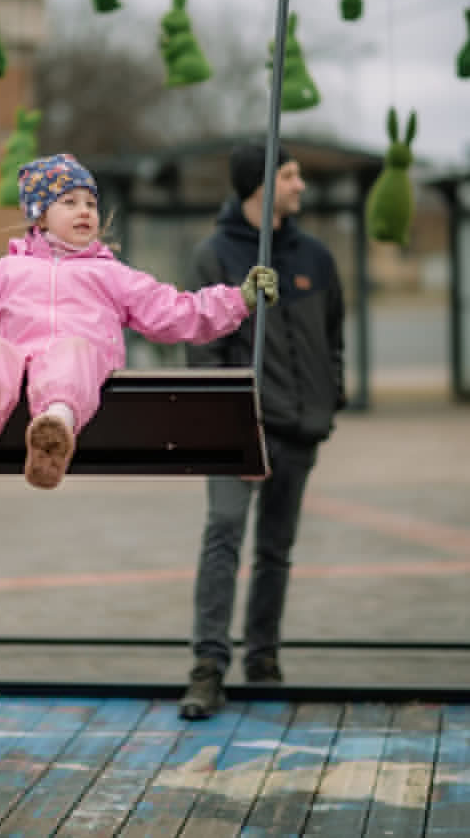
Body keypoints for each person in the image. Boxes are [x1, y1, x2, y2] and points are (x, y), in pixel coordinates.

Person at [0, 152, 279, 497]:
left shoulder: (112, 275)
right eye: (69, 202)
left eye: (90, 203)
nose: (85, 210)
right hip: (18, 376)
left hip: (75, 380)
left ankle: (53, 435)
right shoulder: (7, 271)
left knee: (73, 352)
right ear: (39, 216)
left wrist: (238, 300)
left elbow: (174, 311)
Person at [178, 139, 346, 719]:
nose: (300, 185)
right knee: (223, 538)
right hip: (238, 433)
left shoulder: (316, 257)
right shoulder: (215, 256)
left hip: (299, 430)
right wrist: (234, 429)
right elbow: (202, 351)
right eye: (290, 175)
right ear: (260, 185)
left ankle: (263, 659)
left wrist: (329, 399)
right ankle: (208, 668)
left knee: (276, 550)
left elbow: (333, 337)